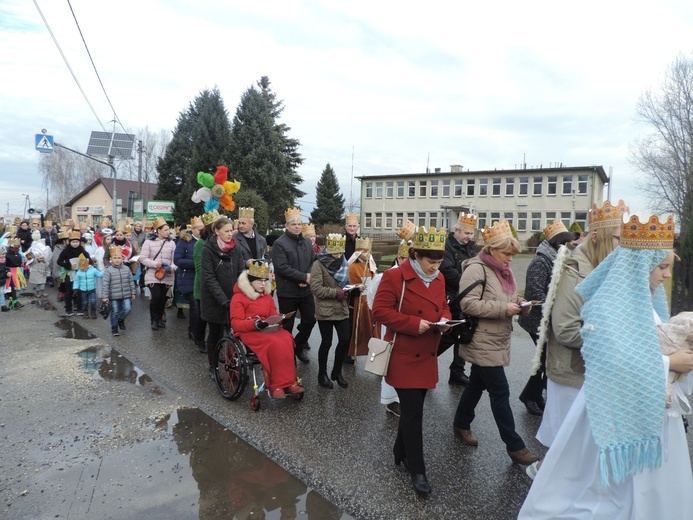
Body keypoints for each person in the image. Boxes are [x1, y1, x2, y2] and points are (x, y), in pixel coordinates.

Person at [519, 214, 693, 519]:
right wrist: (668, 362)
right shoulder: (609, 303)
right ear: (640, 269)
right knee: (607, 489)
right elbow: (608, 356)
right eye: (662, 268)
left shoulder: (647, 302)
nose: (667, 276)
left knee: (650, 490)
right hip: (615, 404)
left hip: (649, 406)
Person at [533, 200, 628, 454]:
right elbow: (565, 329)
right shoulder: (574, 271)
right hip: (572, 375)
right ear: (596, 237)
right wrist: (613, 341)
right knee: (565, 452)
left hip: (592, 372)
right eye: (618, 238)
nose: (623, 246)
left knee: (582, 453)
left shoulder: (602, 267)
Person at [372, 226, 452, 498]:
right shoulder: (395, 277)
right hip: (404, 354)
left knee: (412, 410)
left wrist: (444, 320)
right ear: (415, 255)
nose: (435, 268)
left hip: (427, 354)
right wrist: (412, 324)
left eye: (439, 262)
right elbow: (380, 311)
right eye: (431, 262)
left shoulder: (439, 278)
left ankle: (399, 451)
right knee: (414, 413)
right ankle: (418, 471)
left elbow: (443, 305)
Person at [452, 220, 539, 466]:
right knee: (500, 392)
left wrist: (521, 304)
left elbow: (507, 297)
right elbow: (466, 304)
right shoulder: (476, 269)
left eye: (513, 255)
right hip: (482, 339)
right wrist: (505, 308)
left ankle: (460, 423)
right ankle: (514, 446)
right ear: (491, 249)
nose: (510, 259)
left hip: (497, 338)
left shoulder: (503, 270)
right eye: (506, 254)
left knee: (476, 385)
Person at [517, 220, 574, 416]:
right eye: (565, 243)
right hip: (537, 321)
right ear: (557, 243)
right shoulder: (541, 261)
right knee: (544, 360)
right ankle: (529, 396)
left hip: (550, 320)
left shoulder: (558, 259)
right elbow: (536, 295)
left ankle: (537, 395)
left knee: (547, 360)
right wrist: (554, 314)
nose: (568, 247)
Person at [230, 259, 303, 399]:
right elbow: (236, 324)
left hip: (267, 330)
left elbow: (273, 314)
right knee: (274, 344)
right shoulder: (238, 298)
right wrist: (255, 324)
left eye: (265, 281)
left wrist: (280, 319)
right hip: (249, 332)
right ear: (250, 281)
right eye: (259, 281)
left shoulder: (267, 297)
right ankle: (276, 385)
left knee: (287, 338)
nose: (263, 284)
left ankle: (290, 382)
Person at [366, 237, 412, 417]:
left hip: (410, 324)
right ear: (399, 259)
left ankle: (406, 396)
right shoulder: (387, 276)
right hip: (392, 324)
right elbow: (373, 298)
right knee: (391, 361)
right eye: (405, 259)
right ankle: (391, 400)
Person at [270, 207, 316, 364]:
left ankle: (298, 346)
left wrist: (308, 277)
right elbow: (282, 268)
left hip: (306, 291)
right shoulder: (279, 244)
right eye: (293, 224)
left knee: (310, 321)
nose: (297, 226)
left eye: (299, 223)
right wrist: (302, 277)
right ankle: (288, 355)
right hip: (288, 292)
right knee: (287, 326)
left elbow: (313, 261)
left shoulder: (307, 243)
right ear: (286, 226)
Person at [201, 216, 245, 376]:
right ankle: (213, 366)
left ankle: (232, 364)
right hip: (214, 299)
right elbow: (209, 277)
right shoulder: (208, 249)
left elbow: (241, 271)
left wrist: (242, 292)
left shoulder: (236, 247)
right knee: (215, 332)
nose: (230, 234)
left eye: (231, 230)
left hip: (233, 297)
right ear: (217, 231)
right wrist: (222, 299)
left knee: (233, 333)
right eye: (226, 231)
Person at [439, 213, 477, 386]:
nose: (469, 237)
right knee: (449, 334)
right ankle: (427, 358)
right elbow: (447, 271)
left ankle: (457, 371)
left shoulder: (470, 247)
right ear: (456, 230)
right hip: (451, 295)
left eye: (471, 234)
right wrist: (469, 281)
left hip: (466, 295)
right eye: (466, 233)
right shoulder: (446, 246)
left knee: (463, 333)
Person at [310, 234, 352, 389]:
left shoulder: (344, 262)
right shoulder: (318, 264)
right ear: (328, 251)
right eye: (335, 253)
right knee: (326, 343)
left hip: (341, 308)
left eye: (340, 253)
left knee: (344, 340)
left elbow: (345, 282)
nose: (338, 256)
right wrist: (336, 293)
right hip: (325, 310)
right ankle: (322, 374)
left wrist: (352, 289)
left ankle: (337, 371)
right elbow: (316, 289)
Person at [139, 217, 177, 330]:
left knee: (163, 299)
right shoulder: (148, 242)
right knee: (156, 297)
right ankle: (153, 320)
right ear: (158, 230)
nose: (168, 232)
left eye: (168, 230)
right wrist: (155, 264)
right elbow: (143, 258)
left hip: (167, 274)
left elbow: (175, 259)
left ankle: (160, 318)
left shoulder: (172, 243)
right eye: (165, 230)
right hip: (153, 275)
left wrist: (172, 267)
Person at [347, 237, 380, 360]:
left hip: (370, 302)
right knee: (357, 330)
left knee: (372, 329)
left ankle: (375, 355)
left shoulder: (372, 266)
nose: (368, 254)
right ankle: (350, 352)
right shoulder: (352, 267)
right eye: (365, 252)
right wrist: (357, 289)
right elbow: (348, 285)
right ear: (359, 253)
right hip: (357, 303)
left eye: (369, 252)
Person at [101, 245, 137, 336]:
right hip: (114, 295)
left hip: (126, 294)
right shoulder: (108, 270)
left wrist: (133, 292)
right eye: (115, 258)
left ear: (122, 258)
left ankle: (121, 319)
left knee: (128, 308)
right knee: (115, 311)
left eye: (119, 258)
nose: (117, 260)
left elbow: (131, 281)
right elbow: (105, 284)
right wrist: (105, 296)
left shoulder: (126, 269)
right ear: (111, 259)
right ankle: (114, 327)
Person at [174, 224, 199, 342]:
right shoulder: (184, 241)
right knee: (195, 306)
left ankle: (198, 329)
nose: (201, 231)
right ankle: (193, 331)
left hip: (203, 278)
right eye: (199, 229)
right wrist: (196, 263)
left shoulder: (208, 240)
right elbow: (177, 260)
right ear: (193, 229)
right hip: (189, 278)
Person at [57, 231, 90, 317]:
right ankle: (68, 309)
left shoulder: (82, 250)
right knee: (69, 291)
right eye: (73, 242)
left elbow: (88, 259)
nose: (75, 244)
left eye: (77, 242)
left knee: (79, 291)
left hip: (80, 273)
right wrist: (68, 265)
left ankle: (80, 308)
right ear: (69, 242)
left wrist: (85, 263)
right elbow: (59, 261)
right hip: (69, 273)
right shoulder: (65, 251)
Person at [72, 253, 103, 318]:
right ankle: (85, 311)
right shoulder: (79, 272)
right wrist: (75, 288)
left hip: (92, 289)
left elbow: (99, 275)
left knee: (93, 301)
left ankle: (93, 311)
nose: (82, 269)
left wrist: (105, 271)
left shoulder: (93, 270)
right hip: (83, 290)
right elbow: (76, 281)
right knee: (85, 302)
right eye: (81, 267)